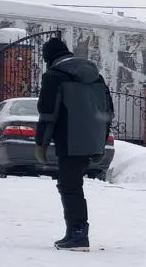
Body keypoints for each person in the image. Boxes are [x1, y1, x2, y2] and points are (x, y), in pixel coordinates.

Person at [33, 36, 113, 251]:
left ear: (48, 58)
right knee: (72, 185)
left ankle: (77, 234)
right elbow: (108, 111)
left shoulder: (54, 76)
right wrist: (100, 142)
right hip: (91, 139)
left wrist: (41, 143)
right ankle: (75, 232)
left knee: (69, 186)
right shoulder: (96, 76)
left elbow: (48, 112)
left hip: (68, 139)